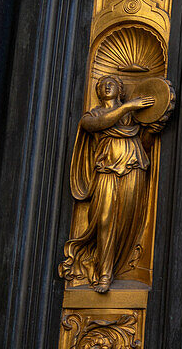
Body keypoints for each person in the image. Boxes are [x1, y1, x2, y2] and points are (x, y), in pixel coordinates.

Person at [59, 76, 161, 292]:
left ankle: (115, 267)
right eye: (103, 83)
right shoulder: (95, 114)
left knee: (127, 218)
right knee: (104, 218)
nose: (107, 85)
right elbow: (96, 125)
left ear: (120, 90)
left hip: (134, 168)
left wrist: (154, 125)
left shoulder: (132, 117)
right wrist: (127, 107)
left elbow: (145, 142)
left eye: (112, 83)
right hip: (107, 170)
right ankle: (103, 272)